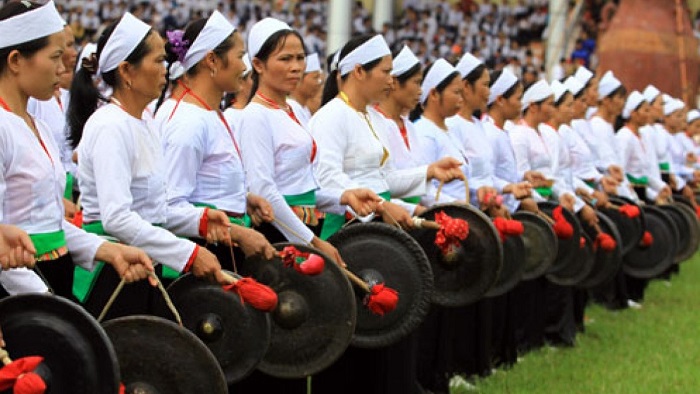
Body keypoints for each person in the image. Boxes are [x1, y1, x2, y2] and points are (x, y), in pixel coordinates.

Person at [68, 12, 252, 318]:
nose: (166, 70)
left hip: (142, 263)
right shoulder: (110, 126)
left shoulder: (145, 121)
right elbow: (117, 218)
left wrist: (201, 220)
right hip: (112, 271)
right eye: (157, 61)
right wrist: (188, 253)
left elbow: (155, 210)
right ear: (127, 70)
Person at [0, 1, 154, 300]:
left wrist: (108, 250)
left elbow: (50, 225)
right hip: (17, 290)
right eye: (55, 57)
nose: (63, 67)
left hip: (49, 280)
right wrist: (44, 300)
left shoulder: (36, 126)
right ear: (16, 60)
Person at [157, 11, 277, 272]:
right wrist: (237, 232)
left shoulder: (207, 113)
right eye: (238, 56)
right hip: (202, 252)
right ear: (211, 59)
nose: (244, 67)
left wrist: (243, 199)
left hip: (220, 243)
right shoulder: (188, 123)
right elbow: (166, 208)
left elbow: (205, 185)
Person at [288, 52, 324, 128]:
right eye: (315, 77)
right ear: (299, 78)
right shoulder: (290, 108)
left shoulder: (305, 110)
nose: (319, 82)